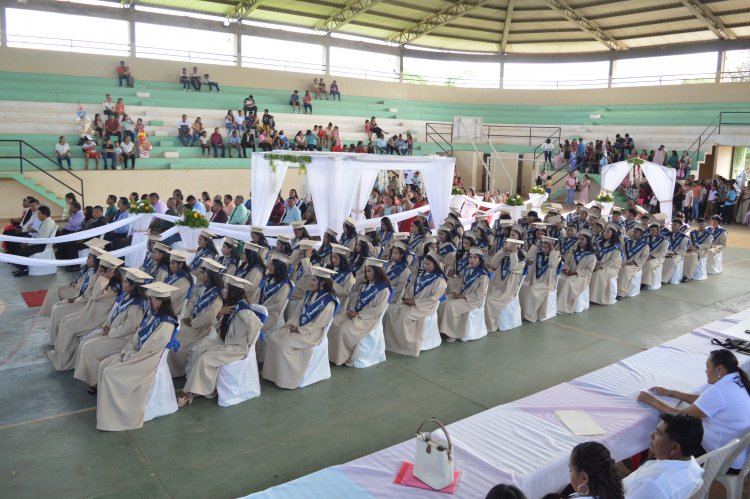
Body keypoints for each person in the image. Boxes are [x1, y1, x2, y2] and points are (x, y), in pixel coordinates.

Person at [638, 349, 750, 471]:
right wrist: (672, 393)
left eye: (707, 367)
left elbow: (678, 416)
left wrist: (650, 400)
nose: (706, 371)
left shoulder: (720, 391)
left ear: (719, 369)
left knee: (666, 439)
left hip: (721, 459)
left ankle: (648, 471)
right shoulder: (735, 380)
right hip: (734, 454)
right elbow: (705, 401)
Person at [95, 281, 179, 431]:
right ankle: (107, 412)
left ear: (159, 301)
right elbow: (137, 338)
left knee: (110, 373)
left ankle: (117, 418)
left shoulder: (165, 325)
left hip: (145, 362)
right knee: (103, 365)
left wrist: (129, 356)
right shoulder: (152, 317)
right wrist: (127, 351)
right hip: (135, 355)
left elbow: (147, 351)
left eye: (151, 299)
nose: (148, 301)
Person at [177, 274, 263, 407]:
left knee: (205, 359)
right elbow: (218, 327)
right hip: (223, 340)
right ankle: (199, 386)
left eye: (226, 288)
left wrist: (249, 344)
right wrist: (220, 313)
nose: (223, 290)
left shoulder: (243, 310)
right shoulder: (230, 305)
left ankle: (191, 391)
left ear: (233, 291)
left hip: (236, 347)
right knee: (200, 348)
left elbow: (257, 325)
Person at [73, 267, 150, 393]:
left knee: (91, 348)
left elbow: (129, 327)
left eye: (125, 282)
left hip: (124, 338)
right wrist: (108, 325)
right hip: (114, 332)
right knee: (86, 342)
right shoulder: (128, 296)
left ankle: (96, 383)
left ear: (132, 286)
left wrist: (111, 332)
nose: (123, 283)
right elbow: (115, 315)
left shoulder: (137, 304)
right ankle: (92, 378)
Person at [262, 266, 338, 389]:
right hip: (298, 327)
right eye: (311, 279)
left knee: (284, 345)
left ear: (322, 282)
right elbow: (297, 312)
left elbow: (319, 323)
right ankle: (273, 375)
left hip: (311, 333)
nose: (310, 282)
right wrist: (293, 324)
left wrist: (300, 330)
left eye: (314, 280)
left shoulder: (329, 301)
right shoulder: (308, 294)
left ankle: (286, 379)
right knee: (273, 338)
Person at [47, 253, 123, 371]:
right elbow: (90, 292)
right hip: (89, 312)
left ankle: (66, 362)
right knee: (65, 320)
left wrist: (103, 278)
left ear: (111, 273)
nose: (98, 273)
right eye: (99, 270)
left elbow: (96, 295)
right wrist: (101, 277)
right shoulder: (103, 281)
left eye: (102, 271)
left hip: (97, 318)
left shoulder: (114, 288)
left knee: (68, 326)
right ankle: (61, 355)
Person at [622, 413, 704, 499]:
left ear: (675, 447)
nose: (652, 435)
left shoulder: (653, 484)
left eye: (658, 433)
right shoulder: (691, 463)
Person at [328, 258, 391, 366]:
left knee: (344, 329)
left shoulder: (384, 290)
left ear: (377, 272)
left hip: (368, 318)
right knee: (334, 322)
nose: (366, 274)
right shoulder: (365, 285)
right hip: (355, 313)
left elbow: (377, 310)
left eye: (369, 271)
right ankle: (332, 355)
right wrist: (352, 310)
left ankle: (345, 356)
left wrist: (359, 314)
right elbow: (355, 300)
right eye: (366, 271)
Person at [168, 258, 225, 377]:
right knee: (171, 334)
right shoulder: (200, 288)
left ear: (210, 275)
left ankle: (177, 370)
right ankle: (170, 367)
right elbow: (190, 304)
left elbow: (209, 317)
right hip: (190, 322)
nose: (200, 275)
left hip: (201, 329)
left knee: (178, 340)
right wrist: (188, 316)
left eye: (203, 273)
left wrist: (193, 323)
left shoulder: (217, 296)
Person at [438, 247, 489, 342]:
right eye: (470, 257)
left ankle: (452, 334)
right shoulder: (467, 270)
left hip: (473, 300)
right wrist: (456, 292)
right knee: (443, 301)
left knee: (450, 306)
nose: (471, 260)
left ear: (479, 260)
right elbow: (461, 284)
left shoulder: (483, 275)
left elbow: (480, 294)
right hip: (462, 296)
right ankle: (442, 329)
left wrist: (463, 296)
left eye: (475, 258)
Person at [519, 235, 561, 322]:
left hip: (546, 283)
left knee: (531, 290)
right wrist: (536, 245)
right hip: (534, 279)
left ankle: (530, 314)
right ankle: (522, 312)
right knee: (523, 286)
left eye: (546, 247)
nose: (544, 249)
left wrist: (553, 249)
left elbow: (551, 263)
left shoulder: (556, 256)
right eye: (542, 247)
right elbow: (529, 257)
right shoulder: (539, 255)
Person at [557, 230, 597, 314]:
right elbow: (566, 262)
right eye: (579, 239)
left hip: (581, 276)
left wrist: (576, 272)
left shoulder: (591, 255)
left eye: (582, 239)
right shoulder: (574, 251)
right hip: (569, 273)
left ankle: (563, 306)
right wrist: (566, 268)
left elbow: (589, 270)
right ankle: (556, 301)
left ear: (588, 241)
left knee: (568, 281)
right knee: (558, 277)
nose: (580, 241)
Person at [10, 205, 57, 277]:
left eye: (39, 214)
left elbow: (41, 240)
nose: (38, 216)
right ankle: (22, 268)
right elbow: (38, 235)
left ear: (44, 215)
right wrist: (28, 242)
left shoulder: (47, 224)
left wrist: (28, 244)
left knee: (21, 251)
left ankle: (24, 269)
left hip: (42, 246)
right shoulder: (47, 221)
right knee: (20, 247)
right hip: (40, 243)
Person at [589, 225, 623, 304]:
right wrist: (595, 264)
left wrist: (600, 267)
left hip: (612, 267)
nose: (605, 233)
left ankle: (596, 298)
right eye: (605, 231)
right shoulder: (600, 243)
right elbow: (595, 254)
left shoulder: (616, 246)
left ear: (613, 234)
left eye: (608, 231)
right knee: (590, 271)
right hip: (599, 265)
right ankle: (590, 296)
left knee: (598, 274)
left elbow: (612, 260)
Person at [660, 218, 688, 284]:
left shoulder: (683, 237)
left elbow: (683, 249)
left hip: (676, 254)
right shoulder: (666, 234)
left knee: (672, 261)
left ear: (680, 226)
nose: (673, 226)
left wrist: (674, 253)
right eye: (672, 224)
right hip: (665, 253)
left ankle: (663, 279)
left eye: (675, 224)